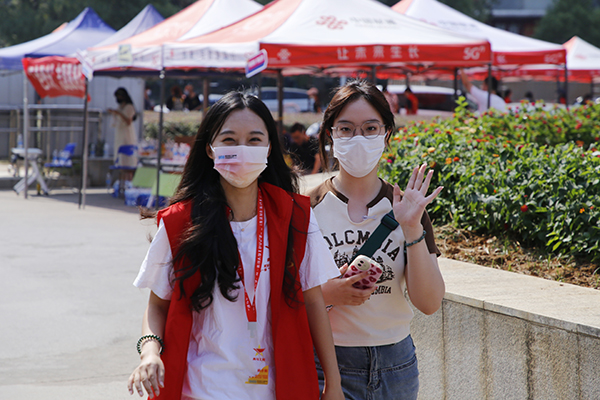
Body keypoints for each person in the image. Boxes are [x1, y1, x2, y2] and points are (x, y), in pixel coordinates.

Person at [127, 91, 344, 400]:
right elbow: (157, 305)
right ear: (210, 149)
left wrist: (333, 383)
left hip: (275, 390)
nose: (242, 150)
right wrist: (149, 352)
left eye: (254, 140)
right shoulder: (179, 223)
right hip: (201, 390)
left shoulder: (295, 217)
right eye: (229, 140)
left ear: (269, 148)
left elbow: (313, 302)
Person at [307, 80, 445, 400]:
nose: (358, 138)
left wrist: (412, 228)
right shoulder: (307, 208)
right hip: (327, 365)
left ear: (386, 134)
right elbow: (284, 295)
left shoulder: (407, 208)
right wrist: (329, 293)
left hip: (397, 366)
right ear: (330, 135)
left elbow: (429, 303)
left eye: (370, 128)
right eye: (346, 129)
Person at [107, 87, 137, 168]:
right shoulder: (120, 106)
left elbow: (128, 121)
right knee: (119, 155)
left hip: (126, 134)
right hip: (119, 133)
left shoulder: (129, 107)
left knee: (126, 157)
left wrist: (118, 113)